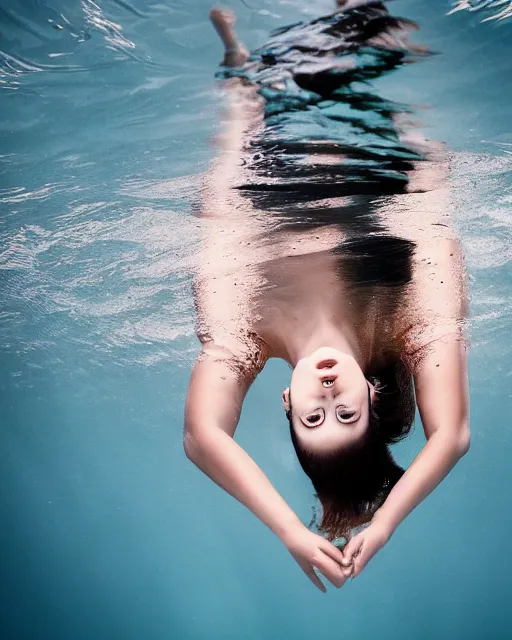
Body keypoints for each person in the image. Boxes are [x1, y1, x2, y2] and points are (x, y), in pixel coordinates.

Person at [184, 1, 470, 592]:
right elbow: (453, 436)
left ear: (287, 401)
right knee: (349, 42)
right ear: (371, 393)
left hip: (271, 163)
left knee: (276, 80)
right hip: (375, 160)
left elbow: (202, 437)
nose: (330, 395)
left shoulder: (242, 339)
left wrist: (291, 530)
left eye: (314, 417)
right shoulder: (407, 326)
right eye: (348, 413)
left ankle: (239, 66)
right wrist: (385, 524)